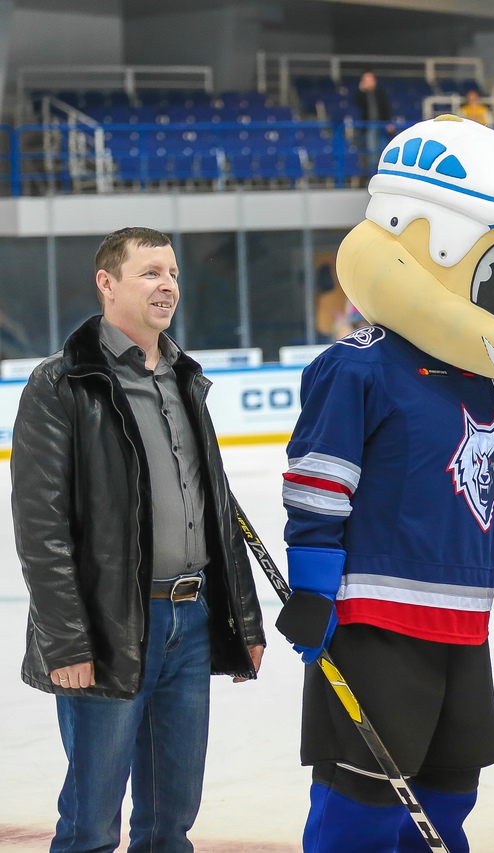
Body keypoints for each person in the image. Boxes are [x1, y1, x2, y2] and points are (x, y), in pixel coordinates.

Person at [278, 117, 494, 853]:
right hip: (376, 619)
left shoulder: (489, 381)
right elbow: (318, 483)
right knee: (363, 798)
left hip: (465, 618)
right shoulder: (360, 364)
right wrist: (314, 587)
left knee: (451, 789)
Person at [10, 226, 266, 853]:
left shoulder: (185, 379)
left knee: (171, 820)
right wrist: (67, 641)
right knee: (91, 825)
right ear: (107, 283)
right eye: (151, 272)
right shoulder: (61, 384)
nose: (168, 285)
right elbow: (41, 529)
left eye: (172, 273)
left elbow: (217, 510)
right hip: (110, 626)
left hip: (192, 619)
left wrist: (245, 621)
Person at [356, 70, 393, 170]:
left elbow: (386, 108)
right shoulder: (360, 95)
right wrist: (362, 91)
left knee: (383, 147)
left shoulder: (380, 93)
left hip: (381, 125)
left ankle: (383, 168)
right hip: (368, 126)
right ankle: (372, 170)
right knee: (371, 149)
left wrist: (389, 123)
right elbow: (357, 108)